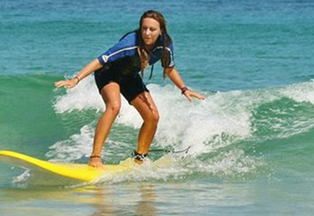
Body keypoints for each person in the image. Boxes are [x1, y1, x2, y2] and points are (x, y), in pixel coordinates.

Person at [54, 10, 204, 168]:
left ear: (161, 31)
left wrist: (184, 88)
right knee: (114, 106)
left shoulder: (165, 46)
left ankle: (140, 159)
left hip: (129, 76)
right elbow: (100, 60)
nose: (147, 33)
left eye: (152, 29)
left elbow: (169, 69)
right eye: (144, 28)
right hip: (108, 73)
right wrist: (76, 79)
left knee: (152, 116)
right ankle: (95, 156)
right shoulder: (130, 42)